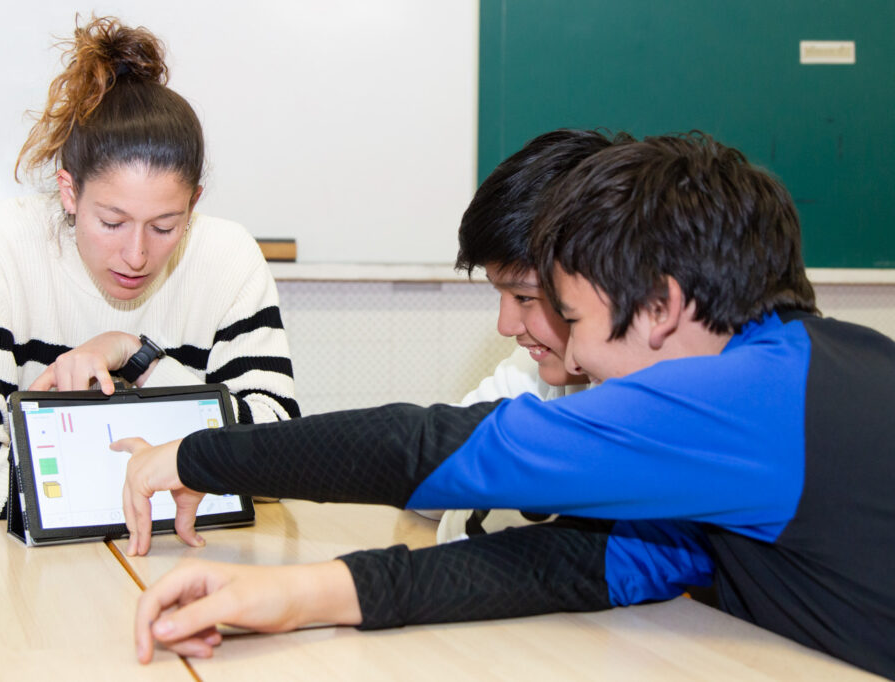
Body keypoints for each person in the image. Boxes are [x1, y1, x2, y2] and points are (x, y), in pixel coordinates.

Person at [117, 132, 895, 678]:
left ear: (659, 308)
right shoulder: (809, 372)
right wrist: (293, 595)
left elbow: (432, 451)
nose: (575, 357)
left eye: (575, 319)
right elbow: (580, 566)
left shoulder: (749, 403)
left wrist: (196, 455)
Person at [0, 16, 299, 521]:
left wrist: (139, 359)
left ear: (193, 203)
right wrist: (176, 472)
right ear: (69, 191)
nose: (136, 255)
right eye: (112, 222)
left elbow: (279, 463)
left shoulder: (227, 256)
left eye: (165, 226)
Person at [433, 129, 633, 541]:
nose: (506, 326)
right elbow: (434, 472)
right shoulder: (535, 367)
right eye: (501, 293)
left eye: (525, 297)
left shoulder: (642, 405)